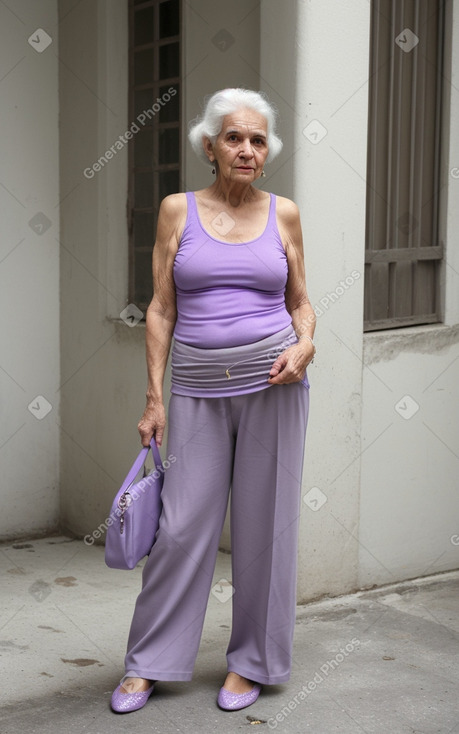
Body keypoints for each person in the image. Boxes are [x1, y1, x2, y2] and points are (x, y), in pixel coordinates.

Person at [110, 87, 316, 714]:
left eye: (258, 140)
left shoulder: (285, 215)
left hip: (275, 387)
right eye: (234, 137)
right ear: (209, 145)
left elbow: (301, 303)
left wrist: (306, 344)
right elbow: (161, 308)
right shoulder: (178, 211)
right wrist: (154, 397)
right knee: (179, 530)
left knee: (265, 530)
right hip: (197, 389)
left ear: (267, 150)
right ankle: (149, 661)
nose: (247, 150)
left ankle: (251, 662)